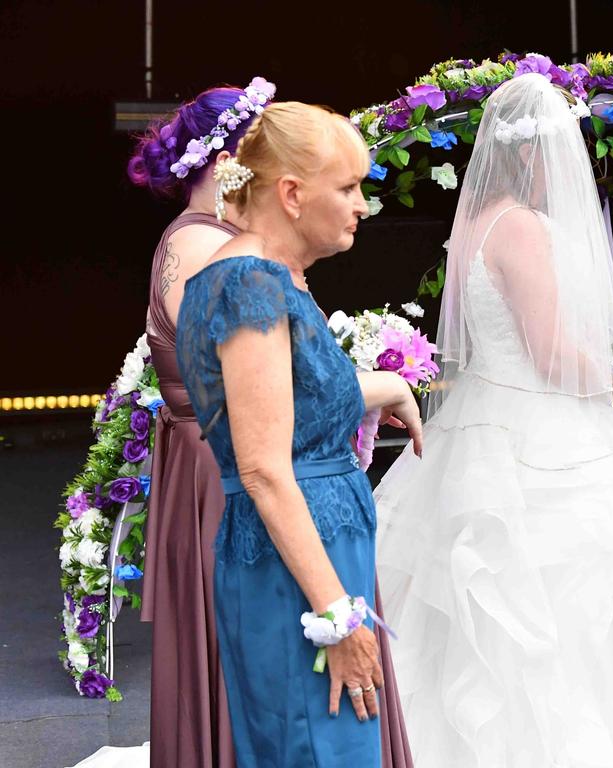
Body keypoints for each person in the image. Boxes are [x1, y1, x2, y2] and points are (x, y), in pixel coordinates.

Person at [372, 73, 613, 767]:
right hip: (538, 429)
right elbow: (549, 350)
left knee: (478, 597)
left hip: (481, 415)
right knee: (562, 602)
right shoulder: (522, 227)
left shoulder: (477, 219)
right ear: (540, 151)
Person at [175, 101, 423, 767]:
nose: (362, 206)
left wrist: (382, 388)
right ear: (290, 194)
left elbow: (289, 404)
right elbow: (262, 467)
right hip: (298, 574)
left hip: (311, 556)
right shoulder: (249, 284)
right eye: (347, 188)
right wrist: (338, 617)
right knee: (319, 749)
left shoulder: (262, 277)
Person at [128, 77, 274, 768]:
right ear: (225, 161)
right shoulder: (196, 247)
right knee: (230, 631)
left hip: (222, 455)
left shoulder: (219, 238)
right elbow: (223, 363)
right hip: (216, 464)